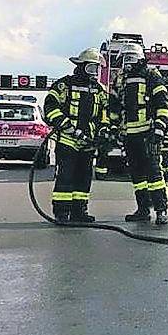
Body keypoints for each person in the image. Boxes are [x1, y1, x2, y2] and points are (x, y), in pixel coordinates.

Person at [44, 48, 109, 223]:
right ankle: (62, 213)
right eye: (91, 68)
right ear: (81, 66)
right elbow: (50, 108)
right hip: (68, 140)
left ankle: (79, 211)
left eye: (96, 69)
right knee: (66, 177)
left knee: (84, 178)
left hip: (88, 142)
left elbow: (106, 112)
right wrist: (67, 127)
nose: (94, 73)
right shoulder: (64, 85)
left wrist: (104, 130)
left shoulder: (99, 90)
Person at [109, 43, 168, 224]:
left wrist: (159, 129)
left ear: (138, 58)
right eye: (124, 60)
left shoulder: (151, 76)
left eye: (130, 59)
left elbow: (163, 104)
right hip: (130, 136)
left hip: (148, 134)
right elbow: (113, 106)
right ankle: (143, 209)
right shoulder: (120, 80)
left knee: (154, 174)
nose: (127, 63)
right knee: (137, 176)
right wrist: (113, 129)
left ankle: (161, 211)